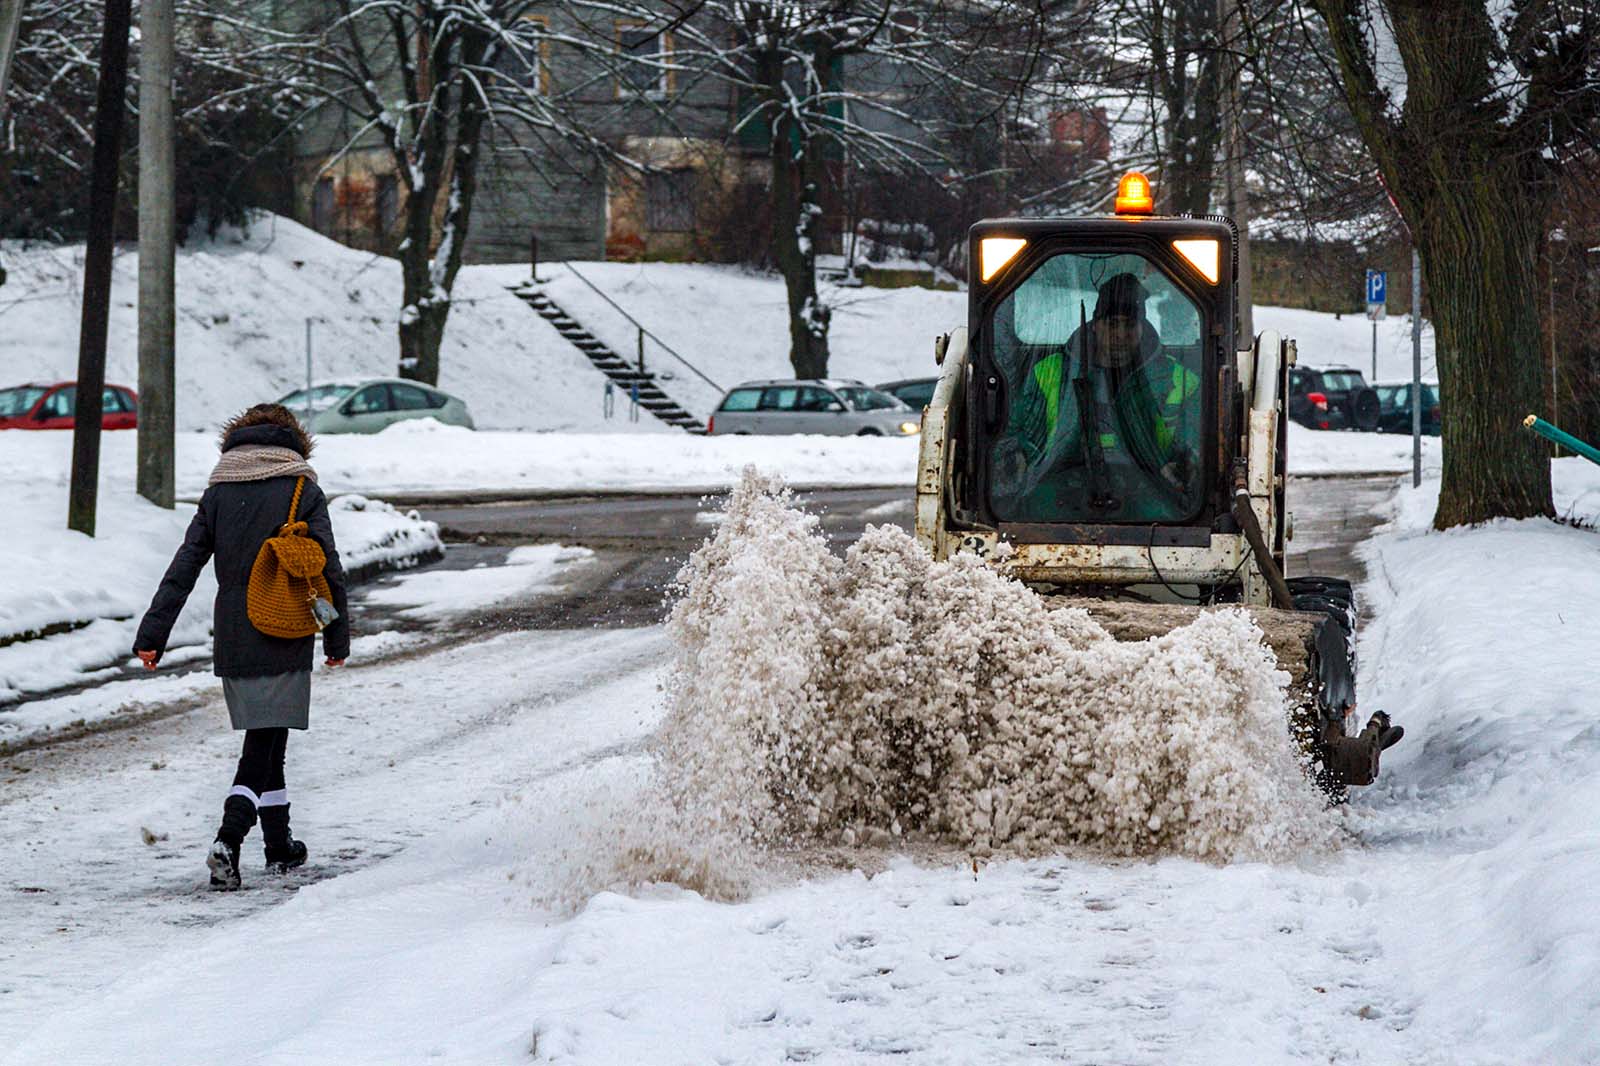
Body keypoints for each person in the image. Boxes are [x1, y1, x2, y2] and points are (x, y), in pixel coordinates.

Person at [134, 404, 349, 891]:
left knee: (269, 737)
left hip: (233, 629)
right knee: (264, 740)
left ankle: (279, 846)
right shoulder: (301, 488)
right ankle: (228, 839)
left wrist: (153, 636)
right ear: (292, 441)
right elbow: (327, 570)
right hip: (285, 623)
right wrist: (336, 635)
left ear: (238, 440)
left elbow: (184, 566)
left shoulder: (218, 491)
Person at [994, 271, 1201, 521]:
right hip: (1060, 484)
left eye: (1130, 324)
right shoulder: (1049, 373)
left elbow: (1196, 440)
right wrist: (1021, 460)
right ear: (1095, 325)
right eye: (1112, 323)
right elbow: (1019, 435)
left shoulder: (1179, 380)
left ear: (1142, 327)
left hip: (1151, 487)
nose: (1121, 335)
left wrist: (1182, 464)